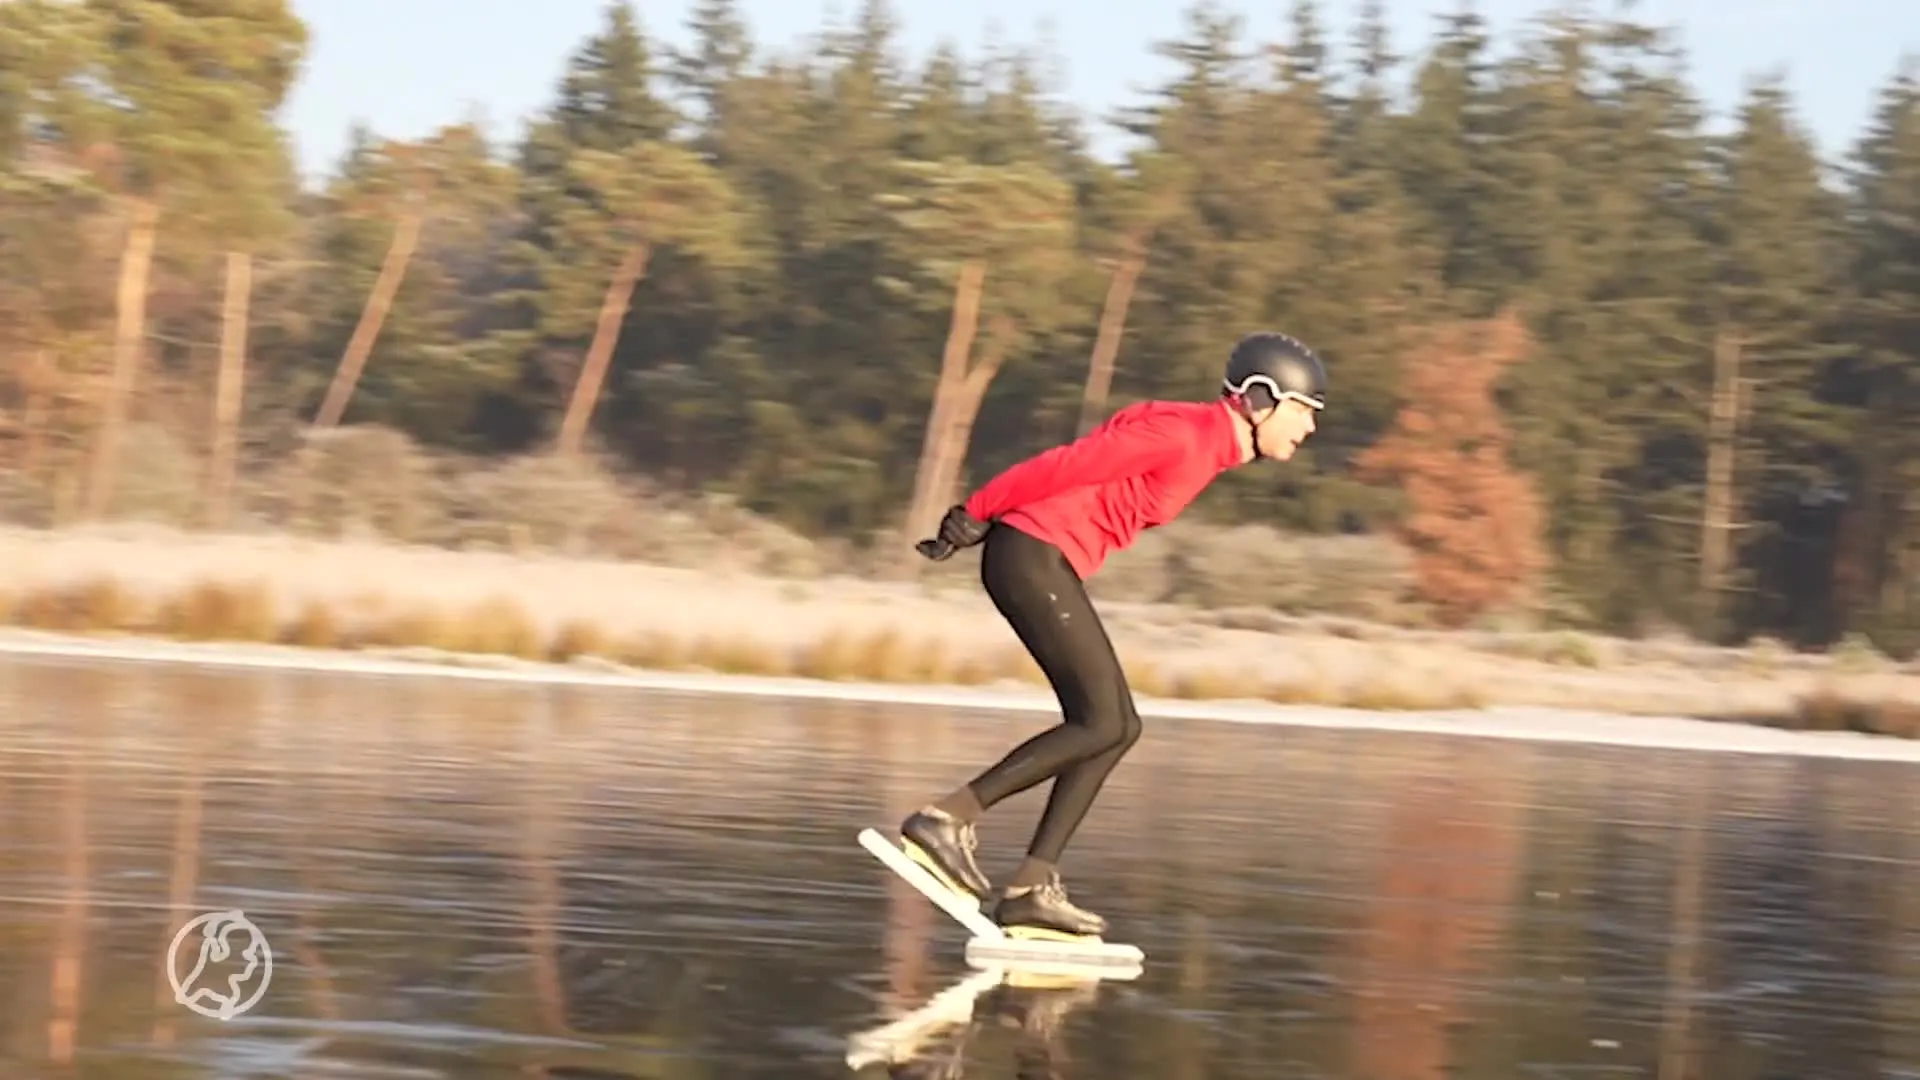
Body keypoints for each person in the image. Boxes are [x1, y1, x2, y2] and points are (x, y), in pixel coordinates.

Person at [898, 331, 1328, 943]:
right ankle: (945, 821)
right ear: (1260, 400)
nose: (1309, 429)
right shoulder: (1186, 435)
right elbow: (1068, 464)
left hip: (1045, 561)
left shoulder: (1204, 441)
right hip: (1031, 556)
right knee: (1103, 721)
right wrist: (977, 510)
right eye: (1303, 412)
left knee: (1117, 726)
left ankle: (1029, 888)